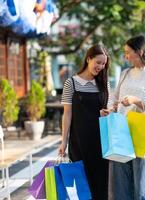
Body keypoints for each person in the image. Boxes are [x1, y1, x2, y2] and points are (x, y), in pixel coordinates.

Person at [108, 35, 145, 200]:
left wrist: (135, 101)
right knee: (119, 181)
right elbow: (115, 96)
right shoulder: (125, 73)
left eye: (128, 52)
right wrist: (110, 109)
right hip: (120, 130)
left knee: (142, 181)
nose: (125, 56)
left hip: (142, 131)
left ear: (139, 52)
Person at [58, 44, 110, 200]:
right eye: (98, 62)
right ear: (89, 59)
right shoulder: (71, 83)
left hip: (101, 143)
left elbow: (109, 110)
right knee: (82, 186)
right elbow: (67, 115)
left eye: (103, 64)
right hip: (79, 143)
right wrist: (63, 142)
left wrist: (107, 112)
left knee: (101, 185)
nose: (101, 67)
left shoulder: (104, 84)